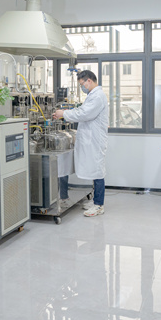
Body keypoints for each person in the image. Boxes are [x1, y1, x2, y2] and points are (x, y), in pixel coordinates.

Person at [54, 70, 108, 217]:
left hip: (95, 141)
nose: (82, 87)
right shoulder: (93, 95)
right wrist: (67, 112)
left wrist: (63, 114)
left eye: (82, 84)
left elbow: (84, 114)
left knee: (97, 172)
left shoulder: (97, 96)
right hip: (92, 139)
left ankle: (99, 205)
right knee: (95, 170)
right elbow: (82, 110)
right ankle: (96, 201)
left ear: (88, 81)